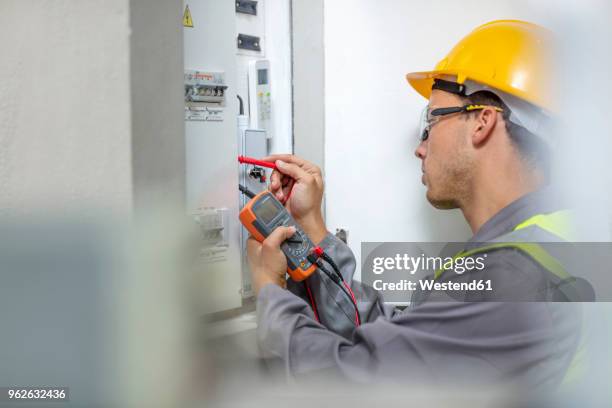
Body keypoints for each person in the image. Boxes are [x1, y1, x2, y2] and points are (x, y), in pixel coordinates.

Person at [246, 20, 583, 388]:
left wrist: (270, 292)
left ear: (482, 122)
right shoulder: (555, 240)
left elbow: (354, 381)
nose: (420, 147)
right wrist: (313, 230)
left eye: (431, 121)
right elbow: (405, 342)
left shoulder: (514, 277)